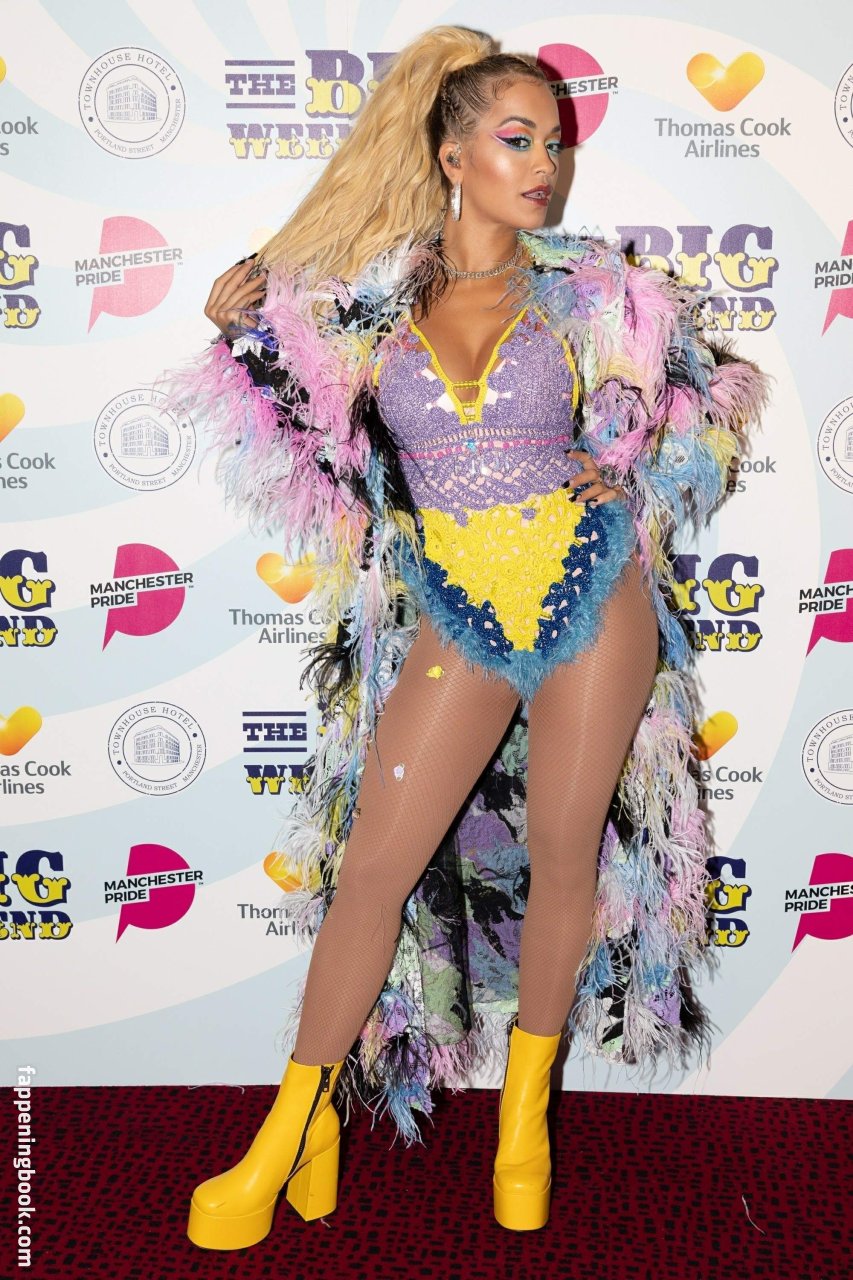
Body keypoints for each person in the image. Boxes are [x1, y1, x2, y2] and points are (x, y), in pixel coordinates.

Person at [159, 24, 768, 1248]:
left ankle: (522, 1120)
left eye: (555, 143)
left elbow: (705, 398)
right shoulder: (372, 303)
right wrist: (249, 337)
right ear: (451, 155)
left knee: (562, 852)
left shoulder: (592, 287)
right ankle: (288, 1129)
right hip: (455, 601)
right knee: (372, 868)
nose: (545, 165)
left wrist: (632, 471)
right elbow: (327, 461)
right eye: (517, 139)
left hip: (591, 591)